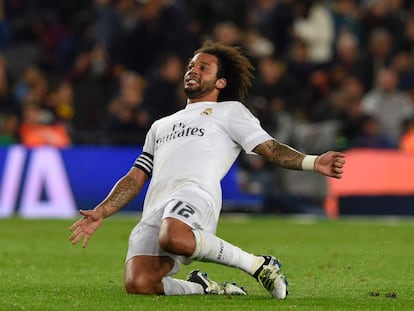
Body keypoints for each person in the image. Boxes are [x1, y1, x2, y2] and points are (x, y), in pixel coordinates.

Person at [69, 41, 346, 298]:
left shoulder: (230, 112)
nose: (193, 70)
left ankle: (258, 264)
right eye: (191, 65)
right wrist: (102, 211)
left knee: (174, 235)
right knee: (140, 283)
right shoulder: (160, 125)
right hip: (157, 204)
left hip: (195, 193)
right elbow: (136, 175)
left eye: (204, 67)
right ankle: (202, 286)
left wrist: (313, 161)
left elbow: (270, 149)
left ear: (221, 81)